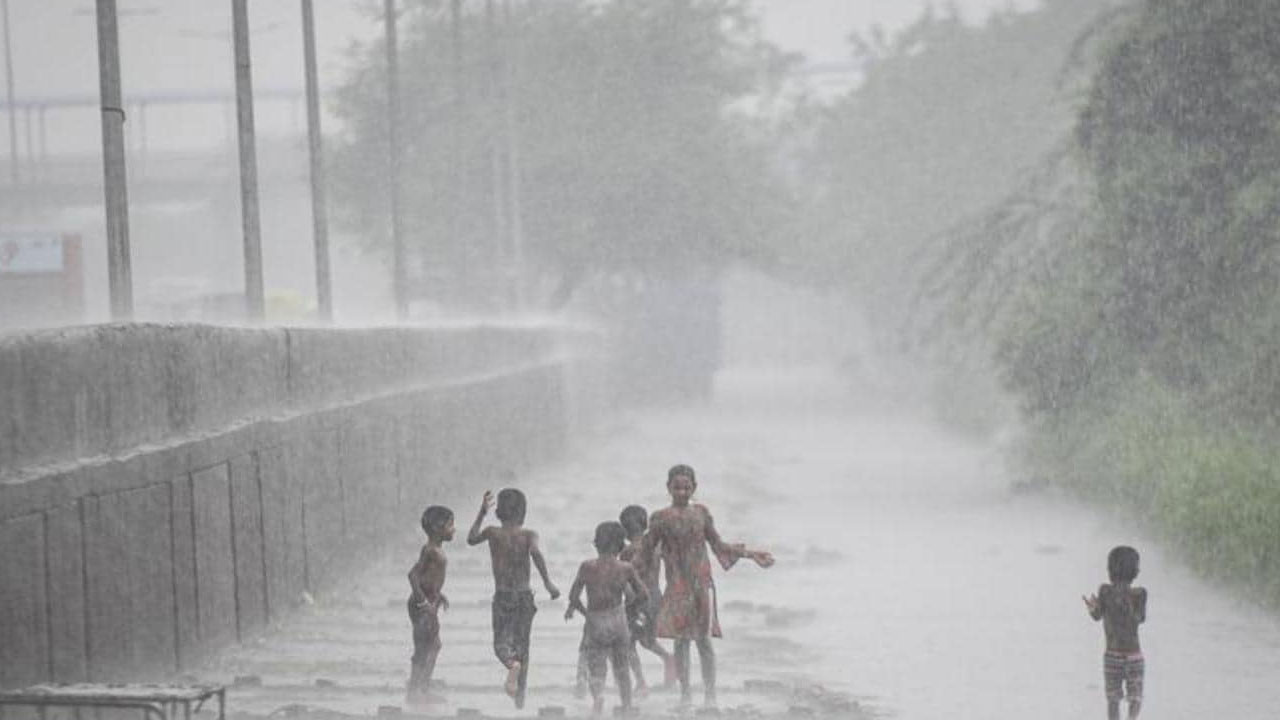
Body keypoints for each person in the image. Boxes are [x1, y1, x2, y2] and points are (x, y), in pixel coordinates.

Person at [641, 464, 774, 707]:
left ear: (694, 488)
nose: (681, 492)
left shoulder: (701, 513)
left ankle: (710, 694)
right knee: (680, 641)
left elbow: (718, 545)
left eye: (686, 487)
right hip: (677, 587)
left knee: (703, 640)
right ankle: (685, 694)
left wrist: (751, 555)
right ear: (668, 488)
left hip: (701, 585)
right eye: (677, 487)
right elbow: (646, 550)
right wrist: (629, 576)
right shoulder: (660, 518)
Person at [467, 488, 560, 707]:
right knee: (523, 648)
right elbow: (536, 554)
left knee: (501, 644)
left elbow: (471, 539)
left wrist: (481, 513)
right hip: (525, 597)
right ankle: (520, 699)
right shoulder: (529, 535)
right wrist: (548, 582)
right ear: (523, 511)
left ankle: (511, 665)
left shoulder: (492, 533)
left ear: (498, 511)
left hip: (503, 596)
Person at [565, 521, 649, 716]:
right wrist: (630, 608)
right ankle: (627, 706)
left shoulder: (586, 567)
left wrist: (586, 614)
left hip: (595, 620)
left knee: (597, 667)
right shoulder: (625, 568)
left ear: (596, 543)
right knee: (621, 668)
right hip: (618, 619)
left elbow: (573, 597)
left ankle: (598, 700)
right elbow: (643, 594)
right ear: (621, 545)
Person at [1083, 545, 1148, 720]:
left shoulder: (1135, 594)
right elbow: (1099, 615)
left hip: (1114, 654)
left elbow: (1139, 618)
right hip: (1131, 655)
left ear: (1111, 569)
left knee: (1116, 698)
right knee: (1130, 697)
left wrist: (1124, 605)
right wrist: (1093, 608)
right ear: (1134, 571)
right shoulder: (1111, 592)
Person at [618, 504, 675, 693]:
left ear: (624, 531)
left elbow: (623, 578)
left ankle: (641, 682)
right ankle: (668, 659)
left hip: (637, 601)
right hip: (655, 597)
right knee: (647, 640)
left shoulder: (627, 552)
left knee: (629, 643)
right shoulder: (656, 546)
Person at [406, 505, 454, 705]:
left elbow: (429, 577)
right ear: (437, 528)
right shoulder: (430, 551)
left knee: (432, 646)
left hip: (430, 602)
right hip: (423, 605)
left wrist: (438, 594)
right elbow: (413, 575)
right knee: (425, 648)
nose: (454, 529)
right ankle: (417, 690)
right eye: (450, 525)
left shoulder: (436, 550)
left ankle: (420, 688)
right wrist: (423, 601)